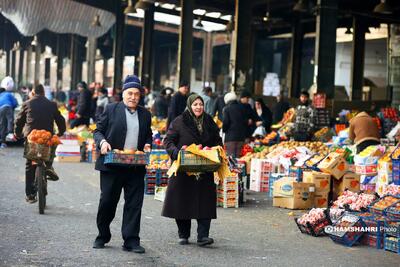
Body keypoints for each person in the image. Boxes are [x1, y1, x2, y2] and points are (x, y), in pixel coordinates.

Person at [93, 75, 152, 253]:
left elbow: (147, 134)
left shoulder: (145, 114)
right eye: (130, 93)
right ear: (123, 93)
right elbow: (98, 131)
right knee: (108, 201)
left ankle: (131, 240)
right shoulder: (111, 109)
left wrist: (148, 144)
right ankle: (102, 235)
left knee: (134, 204)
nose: (133, 97)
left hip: (135, 165)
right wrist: (102, 143)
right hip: (112, 165)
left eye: (136, 94)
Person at [162, 93, 222, 247]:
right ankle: (183, 234)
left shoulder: (209, 120)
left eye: (200, 104)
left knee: (205, 202)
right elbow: (168, 141)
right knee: (182, 201)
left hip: (204, 167)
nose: (198, 107)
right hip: (184, 168)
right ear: (190, 105)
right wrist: (176, 154)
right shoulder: (180, 121)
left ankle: (203, 236)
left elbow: (217, 139)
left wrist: (217, 150)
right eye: (195, 104)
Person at [14, 84, 66, 203]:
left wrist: (17, 133)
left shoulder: (27, 103)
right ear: (43, 93)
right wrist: (60, 132)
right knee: (50, 151)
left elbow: (19, 121)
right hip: (46, 137)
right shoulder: (51, 104)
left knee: (29, 164)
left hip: (31, 137)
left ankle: (30, 195)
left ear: (33, 92)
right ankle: (48, 166)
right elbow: (60, 120)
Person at [222, 92, 248, 158]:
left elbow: (225, 123)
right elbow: (246, 122)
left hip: (230, 138)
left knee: (230, 159)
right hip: (241, 137)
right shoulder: (242, 108)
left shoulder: (227, 109)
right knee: (238, 158)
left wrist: (224, 130)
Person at [0, 77, 18, 148]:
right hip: (8, 107)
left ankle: (3, 142)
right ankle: (10, 133)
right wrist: (13, 106)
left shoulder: (0, 95)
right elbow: (15, 103)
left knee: (2, 125)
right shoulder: (9, 94)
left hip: (0, 109)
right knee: (10, 120)